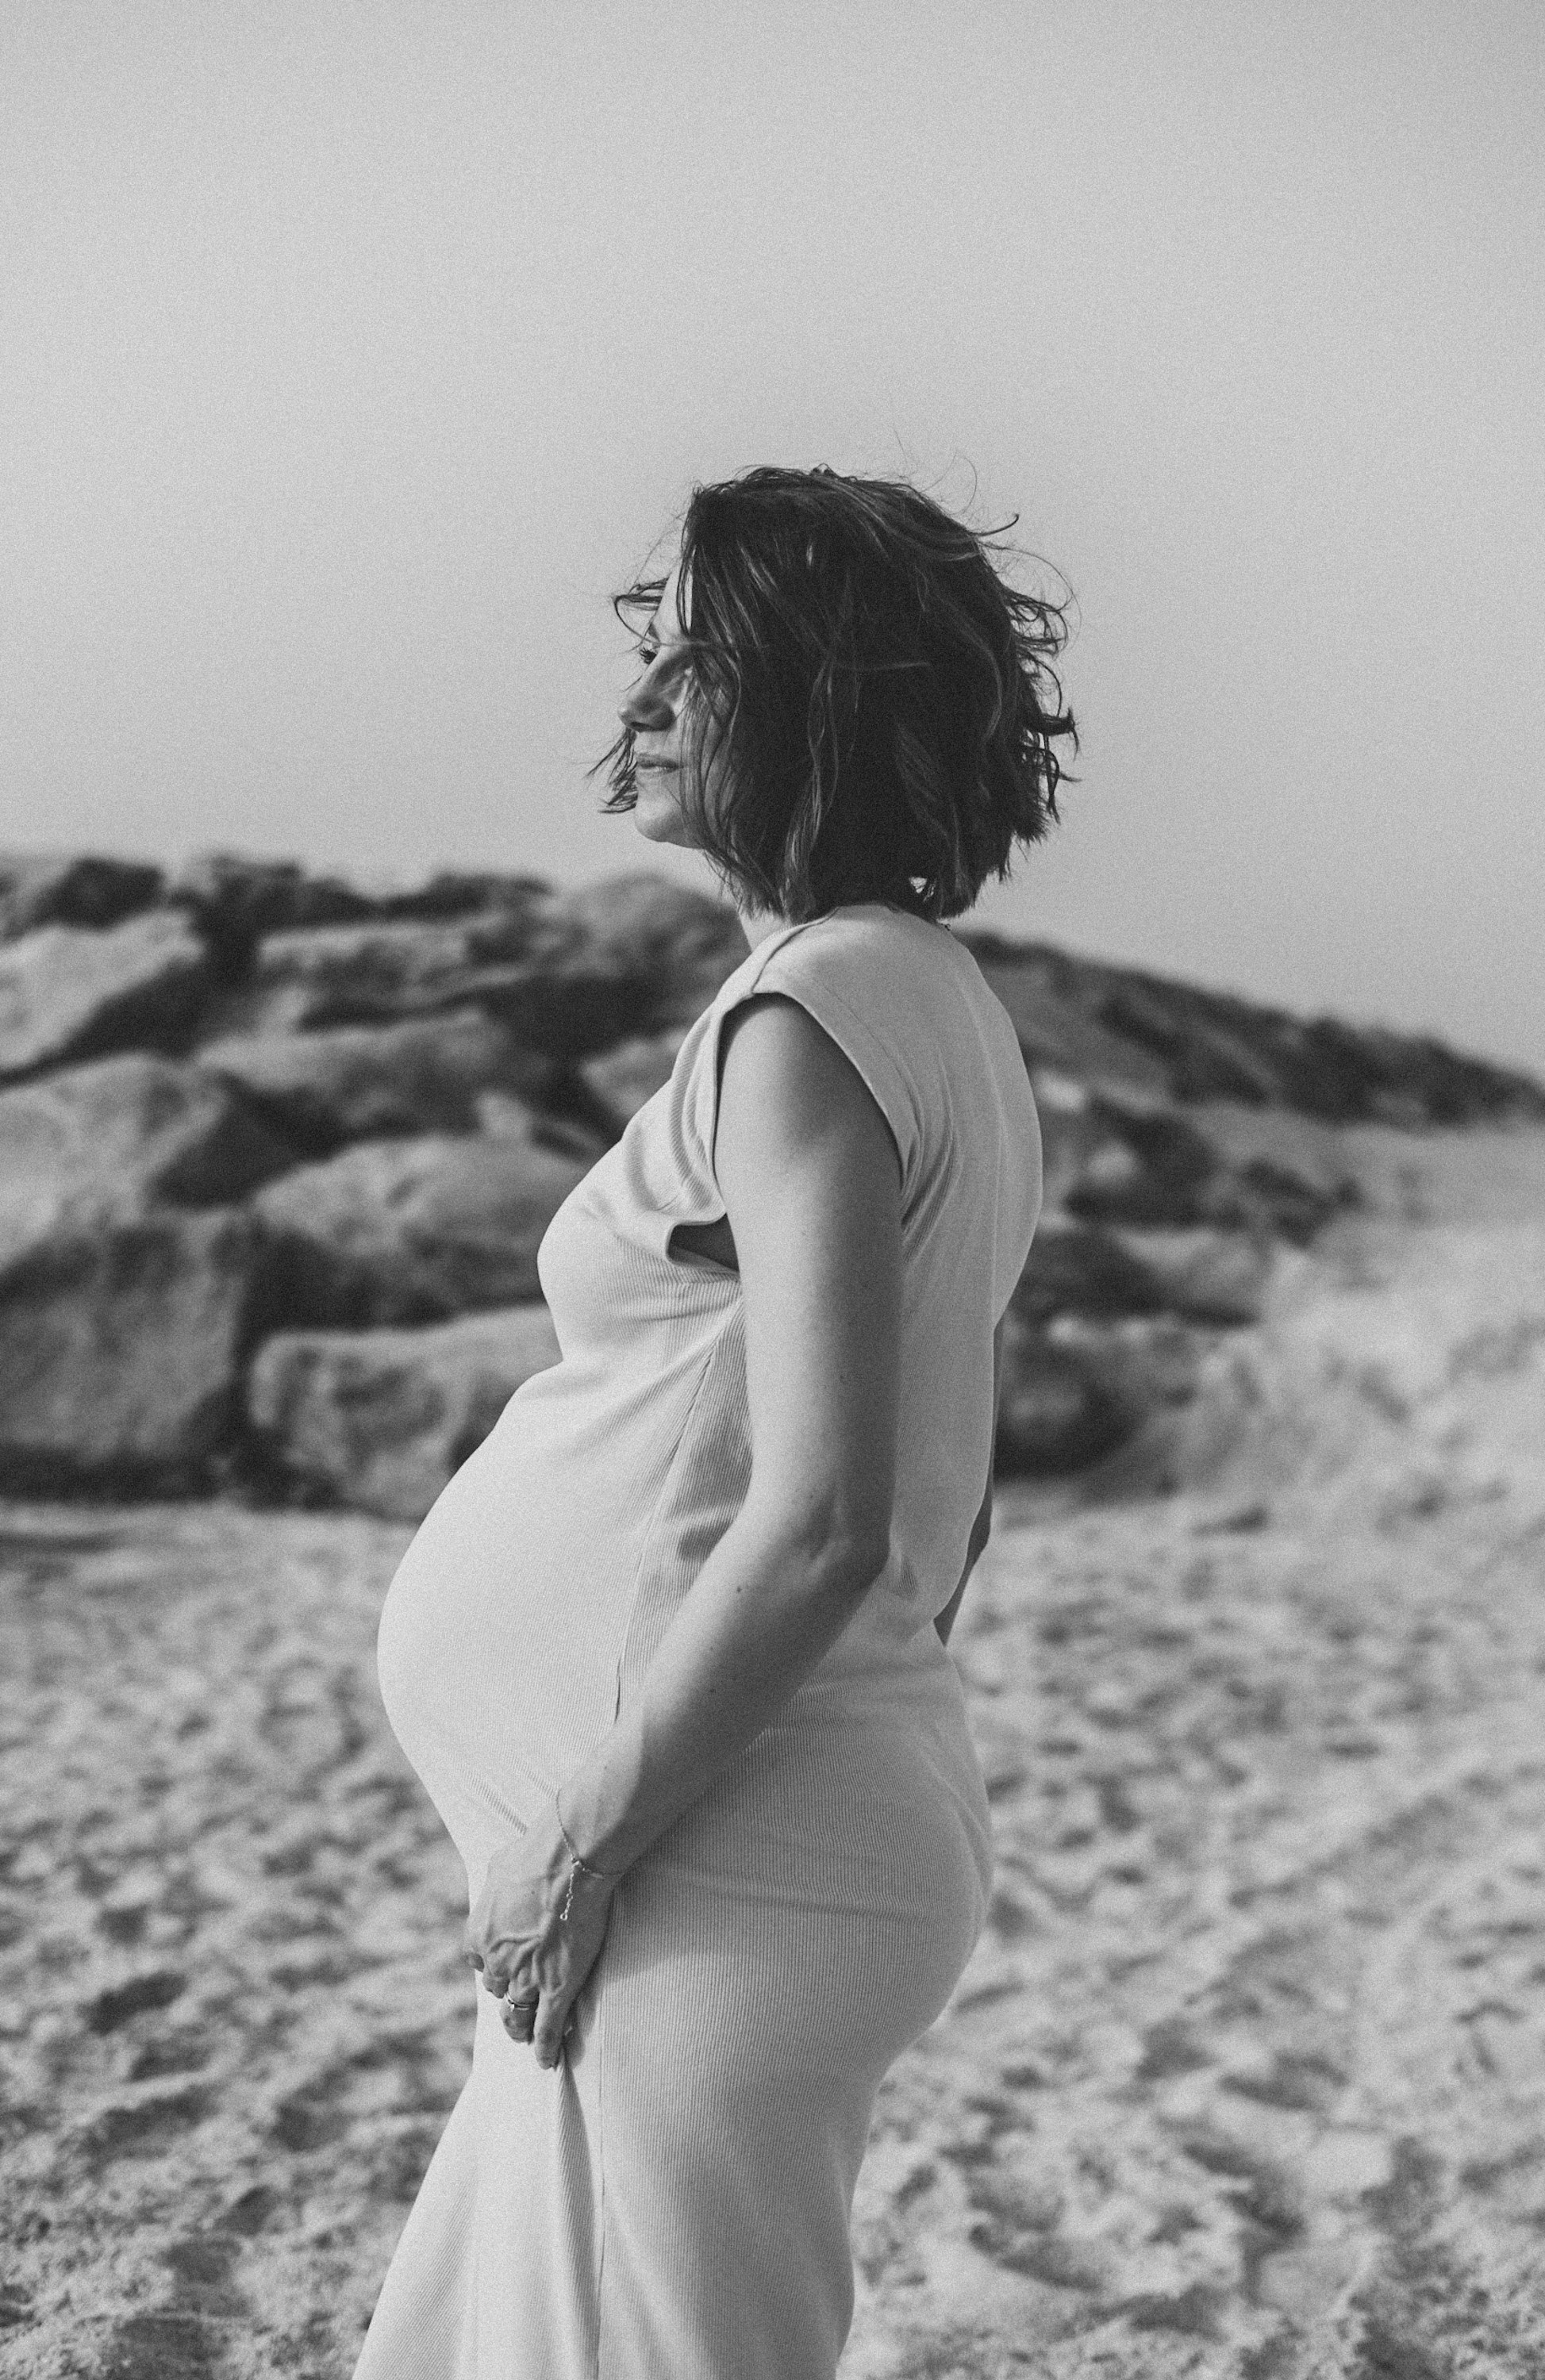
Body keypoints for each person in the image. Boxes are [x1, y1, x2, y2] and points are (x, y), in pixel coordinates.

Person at [353, 464, 1078, 2378]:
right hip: (762, 1820)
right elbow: (951, 1503)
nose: (655, 693)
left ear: (817, 703)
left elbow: (834, 1511)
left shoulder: (806, 1020)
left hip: (706, 1852)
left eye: (706, 659)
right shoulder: (934, 1007)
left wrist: (590, 1836)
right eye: (659, 650)